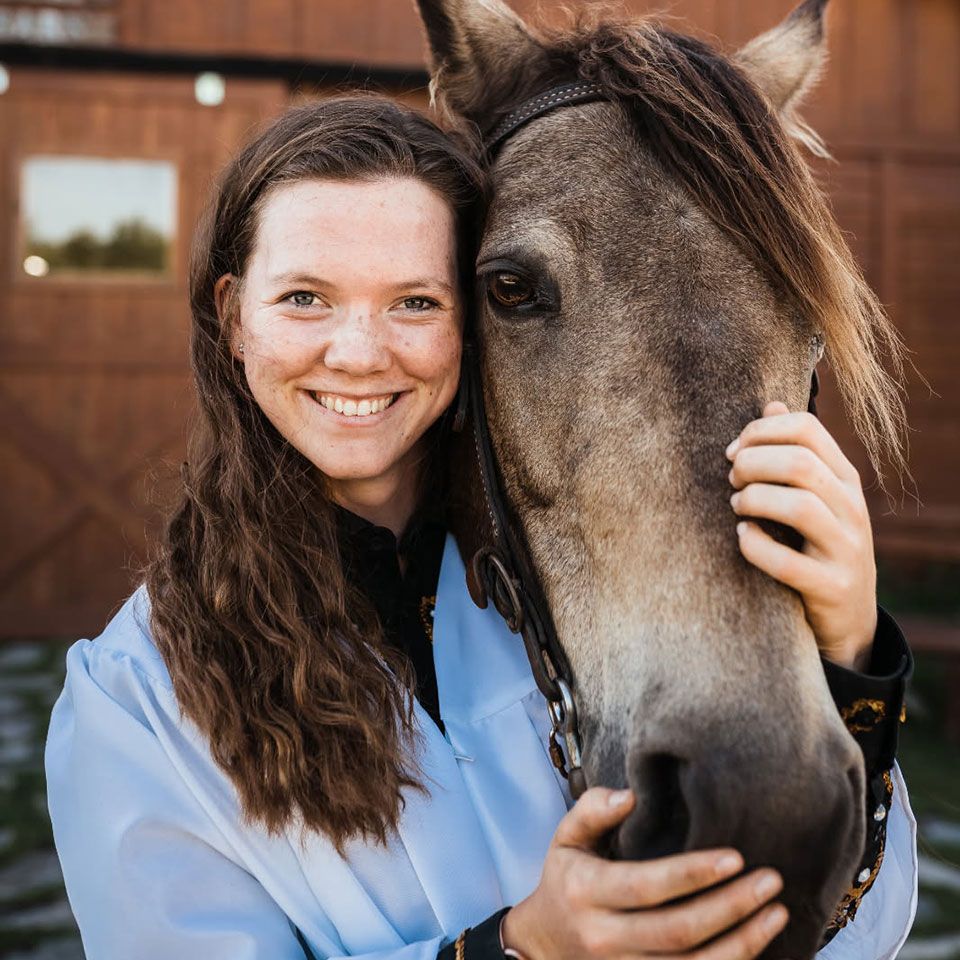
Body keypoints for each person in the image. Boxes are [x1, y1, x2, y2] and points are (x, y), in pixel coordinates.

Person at [45, 95, 916, 960]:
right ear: (235, 316)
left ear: (465, 321)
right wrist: (518, 952)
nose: (358, 352)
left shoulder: (575, 588)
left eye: (414, 302)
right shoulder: (135, 704)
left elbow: (837, 937)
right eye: (306, 296)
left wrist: (851, 665)